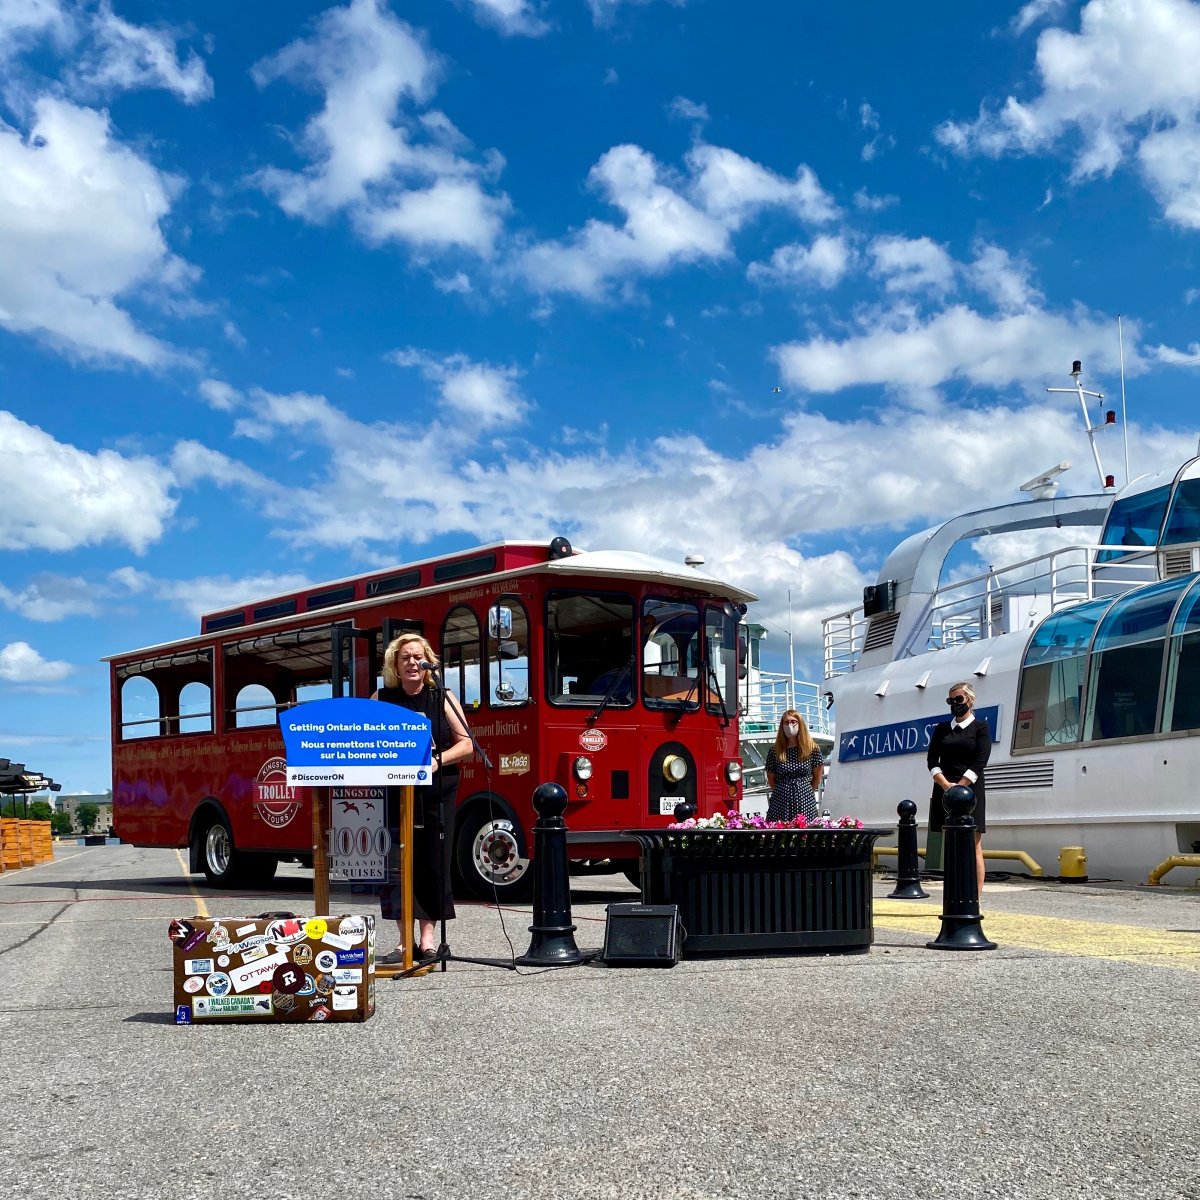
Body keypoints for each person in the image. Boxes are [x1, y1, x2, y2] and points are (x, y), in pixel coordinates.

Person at [373, 633, 473, 965]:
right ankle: (404, 944)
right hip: (395, 793)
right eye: (406, 658)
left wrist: (436, 761)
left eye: (418, 657)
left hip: (436, 790)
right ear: (395, 665)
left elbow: (466, 744)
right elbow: (367, 741)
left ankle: (428, 941)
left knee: (433, 862)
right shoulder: (381, 698)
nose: (413, 663)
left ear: (427, 661)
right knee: (398, 864)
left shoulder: (441, 696)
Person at [927, 680, 991, 894]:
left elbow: (981, 761)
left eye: (959, 699)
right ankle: (955, 893)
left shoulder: (980, 727)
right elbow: (932, 762)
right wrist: (946, 786)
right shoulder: (942, 729)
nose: (955, 704)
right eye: (951, 700)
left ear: (970, 700)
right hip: (945, 791)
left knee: (973, 845)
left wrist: (961, 786)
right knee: (951, 845)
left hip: (970, 791)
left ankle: (975, 897)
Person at [765, 710, 824, 822]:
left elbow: (817, 777)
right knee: (779, 834)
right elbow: (771, 778)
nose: (789, 725)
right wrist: (783, 790)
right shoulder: (774, 751)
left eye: (793, 721)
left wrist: (804, 790)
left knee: (806, 834)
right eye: (786, 722)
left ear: (800, 724)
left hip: (805, 798)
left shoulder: (812, 749)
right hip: (780, 800)